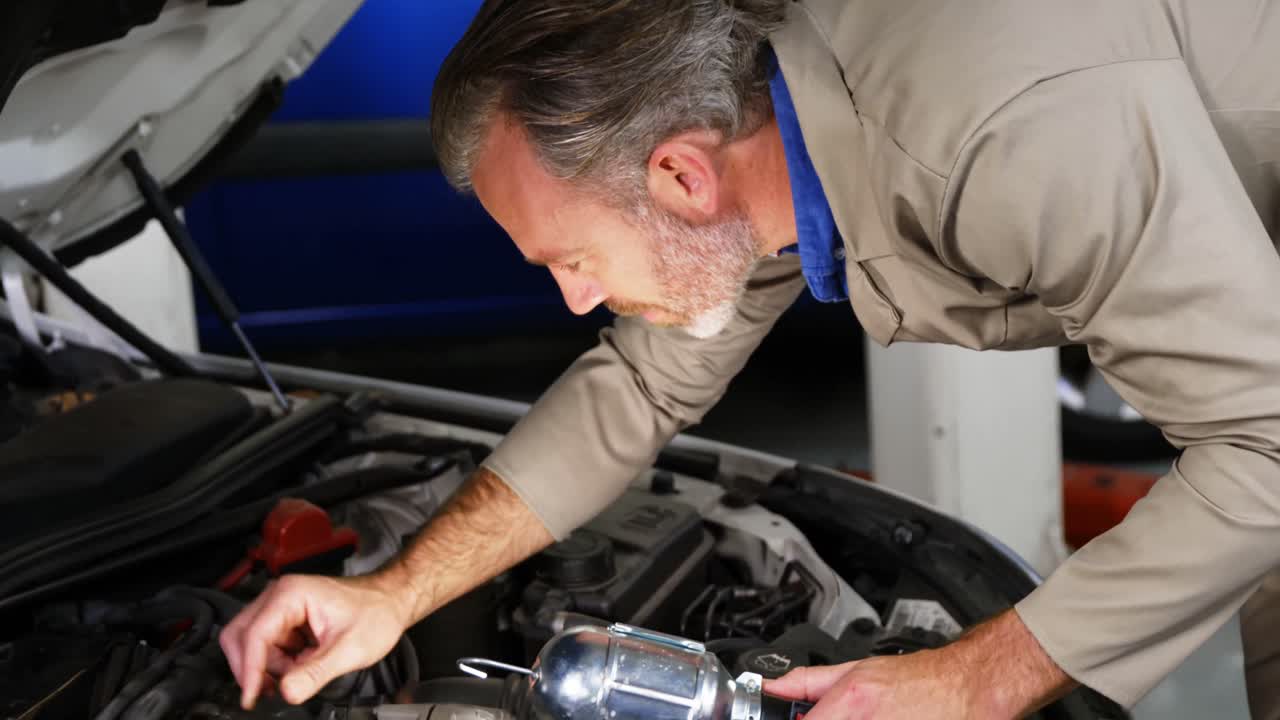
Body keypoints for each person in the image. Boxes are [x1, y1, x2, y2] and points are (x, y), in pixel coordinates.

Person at [219, 1, 1280, 717]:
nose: (574, 299)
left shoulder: (983, 131)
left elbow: (1266, 442)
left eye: (572, 258)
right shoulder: (773, 134)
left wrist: (969, 678)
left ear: (681, 179)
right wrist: (396, 593)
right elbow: (637, 384)